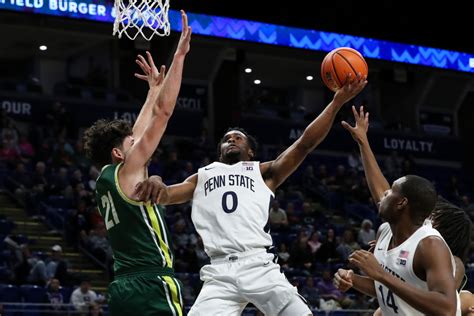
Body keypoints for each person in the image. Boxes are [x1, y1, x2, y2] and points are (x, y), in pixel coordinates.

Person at [135, 74, 367, 315]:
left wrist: (336, 103)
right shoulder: (202, 175)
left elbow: (304, 144)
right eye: (226, 139)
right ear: (219, 150)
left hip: (259, 265)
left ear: (251, 151)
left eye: (238, 137)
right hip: (219, 271)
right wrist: (156, 179)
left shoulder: (263, 171)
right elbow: (164, 195)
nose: (231, 140)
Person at [82, 10, 191, 316]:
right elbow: (163, 115)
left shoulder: (106, 177)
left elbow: (136, 132)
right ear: (119, 153)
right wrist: (179, 57)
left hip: (122, 287)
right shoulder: (129, 169)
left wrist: (153, 91)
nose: (139, 143)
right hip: (152, 283)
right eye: (131, 144)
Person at [333, 106, 465, 315]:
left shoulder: (429, 245)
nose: (383, 194)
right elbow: (387, 291)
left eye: (390, 192)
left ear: (402, 203)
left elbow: (447, 308)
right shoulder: (385, 232)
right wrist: (352, 280)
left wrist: (381, 275)